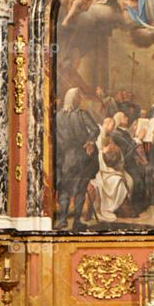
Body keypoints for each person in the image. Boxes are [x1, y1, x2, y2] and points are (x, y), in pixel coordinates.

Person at [55, 88, 99, 229]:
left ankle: (62, 220)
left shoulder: (58, 116)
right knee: (81, 188)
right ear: (76, 99)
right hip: (82, 156)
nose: (81, 99)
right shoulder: (81, 114)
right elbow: (95, 129)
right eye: (80, 97)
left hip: (66, 157)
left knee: (65, 189)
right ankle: (77, 222)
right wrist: (90, 141)